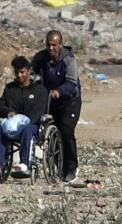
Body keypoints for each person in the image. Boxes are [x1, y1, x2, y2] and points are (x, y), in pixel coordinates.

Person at [0, 55, 48, 179]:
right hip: (11, 125)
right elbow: (1, 105)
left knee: (27, 130)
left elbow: (39, 112)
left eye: (22, 72)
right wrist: (9, 112)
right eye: (17, 72)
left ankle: (24, 164)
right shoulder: (10, 89)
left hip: (32, 126)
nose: (19, 75)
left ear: (29, 71)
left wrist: (24, 121)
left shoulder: (40, 90)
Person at [31, 30, 82, 183]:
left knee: (66, 130)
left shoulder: (69, 59)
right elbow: (33, 75)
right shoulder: (40, 58)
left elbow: (72, 83)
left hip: (68, 101)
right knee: (43, 130)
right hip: (48, 100)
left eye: (54, 45)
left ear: (60, 44)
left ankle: (71, 168)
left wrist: (59, 91)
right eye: (48, 45)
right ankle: (56, 167)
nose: (51, 48)